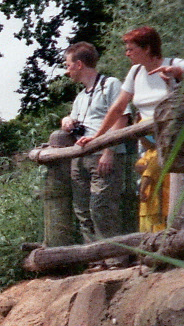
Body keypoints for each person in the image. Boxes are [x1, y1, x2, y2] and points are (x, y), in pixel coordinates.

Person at [78, 26, 184, 231]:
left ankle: (172, 242)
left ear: (147, 48)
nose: (127, 53)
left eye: (131, 49)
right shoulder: (135, 72)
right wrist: (98, 137)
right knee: (148, 192)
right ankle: (152, 243)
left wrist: (177, 74)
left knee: (169, 192)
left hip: (174, 144)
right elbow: (118, 107)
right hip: (147, 146)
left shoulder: (173, 63)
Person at [50, 42, 123, 241]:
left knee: (102, 206)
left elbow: (122, 118)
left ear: (79, 64)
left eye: (67, 65)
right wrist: (67, 121)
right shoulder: (81, 96)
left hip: (103, 155)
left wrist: (109, 151)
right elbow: (74, 120)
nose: (67, 70)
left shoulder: (111, 84)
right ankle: (93, 257)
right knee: (82, 209)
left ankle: (114, 256)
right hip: (80, 156)